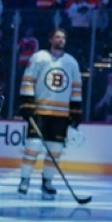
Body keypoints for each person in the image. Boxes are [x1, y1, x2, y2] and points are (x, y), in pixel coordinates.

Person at [18, 29, 83, 196]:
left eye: (63, 38)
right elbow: (28, 80)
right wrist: (27, 104)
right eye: (57, 37)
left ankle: (47, 181)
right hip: (40, 111)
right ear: (50, 39)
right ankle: (25, 179)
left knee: (55, 150)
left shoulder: (71, 62)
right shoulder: (39, 57)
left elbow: (76, 87)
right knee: (32, 147)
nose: (60, 40)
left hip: (60, 115)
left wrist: (75, 111)